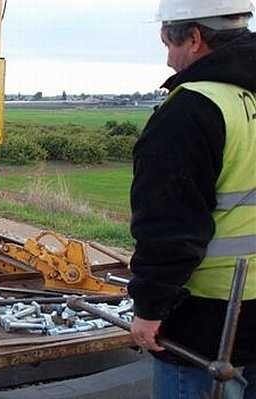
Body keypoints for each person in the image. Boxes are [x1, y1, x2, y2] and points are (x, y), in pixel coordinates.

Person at [127, 1, 256, 397]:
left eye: (169, 44)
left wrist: (150, 308)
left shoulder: (193, 108)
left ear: (195, 38)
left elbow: (170, 225)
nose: (168, 61)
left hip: (207, 315)